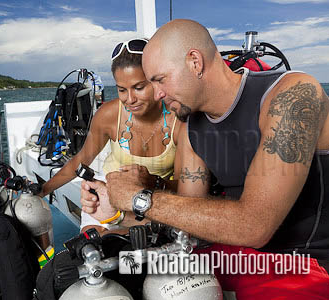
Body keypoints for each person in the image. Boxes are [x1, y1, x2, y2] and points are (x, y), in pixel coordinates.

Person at [82, 19, 329, 298]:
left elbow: (255, 225)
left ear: (195, 62)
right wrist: (115, 209)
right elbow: (189, 213)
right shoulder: (191, 124)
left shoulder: (292, 94)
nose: (158, 94)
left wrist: (141, 198)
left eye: (160, 80)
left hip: (304, 262)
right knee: (121, 268)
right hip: (237, 253)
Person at [39, 38, 181, 229]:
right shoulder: (109, 114)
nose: (130, 99)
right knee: (94, 251)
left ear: (156, 81)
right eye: (122, 90)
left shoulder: (179, 119)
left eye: (139, 88)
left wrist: (153, 182)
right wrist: (42, 191)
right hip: (107, 199)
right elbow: (80, 160)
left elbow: (186, 188)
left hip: (157, 204)